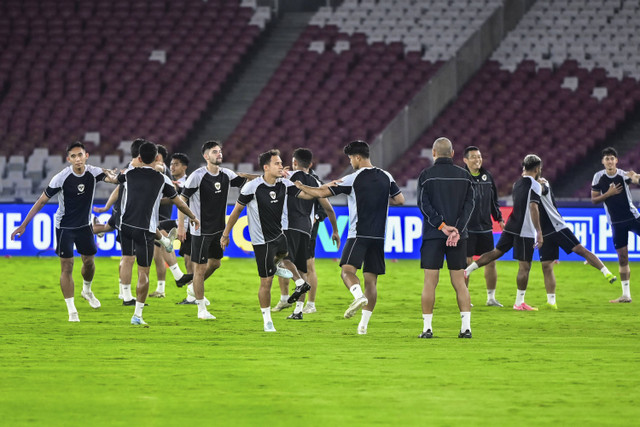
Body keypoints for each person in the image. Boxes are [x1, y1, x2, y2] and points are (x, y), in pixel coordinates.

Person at [294, 140, 404, 335]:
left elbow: (320, 193)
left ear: (358, 157)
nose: (351, 162)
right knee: (371, 281)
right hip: (379, 237)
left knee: (347, 271)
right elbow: (399, 200)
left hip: (358, 234)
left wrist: (299, 185)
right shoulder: (386, 176)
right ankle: (363, 325)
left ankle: (357, 295)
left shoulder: (353, 179)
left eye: (351, 158)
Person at [11, 142, 117, 321]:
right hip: (64, 227)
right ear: (69, 159)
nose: (77, 159)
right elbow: (41, 201)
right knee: (67, 266)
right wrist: (23, 224)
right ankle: (72, 310)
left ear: (86, 156)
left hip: (84, 226)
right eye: (73, 156)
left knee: (89, 263)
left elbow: (111, 178)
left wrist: (115, 176)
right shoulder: (60, 178)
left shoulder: (93, 172)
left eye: (80, 155)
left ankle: (87, 290)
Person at [220, 149, 314, 332]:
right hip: (262, 242)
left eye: (281, 163)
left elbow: (307, 194)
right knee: (267, 282)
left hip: (279, 235)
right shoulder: (252, 187)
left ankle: (299, 282)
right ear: (266, 167)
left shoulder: (284, 183)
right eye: (277, 163)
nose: (281, 166)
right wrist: (225, 234)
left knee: (287, 259)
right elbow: (236, 212)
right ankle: (267, 320)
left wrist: (326, 190)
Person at [117, 141, 199, 326]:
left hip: (126, 227)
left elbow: (114, 179)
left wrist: (108, 174)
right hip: (145, 230)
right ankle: (137, 315)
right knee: (143, 272)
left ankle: (125, 293)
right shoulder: (162, 179)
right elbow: (178, 202)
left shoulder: (129, 173)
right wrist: (192, 217)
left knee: (126, 259)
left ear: (138, 158)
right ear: (156, 158)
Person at [92, 139, 177, 304]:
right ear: (141, 156)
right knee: (129, 258)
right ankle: (125, 294)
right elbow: (118, 188)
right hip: (128, 214)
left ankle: (124, 293)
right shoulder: (136, 170)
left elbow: (117, 186)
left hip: (125, 213)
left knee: (126, 254)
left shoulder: (128, 171)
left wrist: (105, 207)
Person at [177, 140, 254, 319]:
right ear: (206, 157)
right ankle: (201, 309)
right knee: (200, 269)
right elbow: (182, 200)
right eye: (214, 152)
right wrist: (182, 225)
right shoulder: (197, 176)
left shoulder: (226, 174)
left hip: (219, 229)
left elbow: (243, 178)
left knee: (216, 264)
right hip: (200, 230)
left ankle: (192, 288)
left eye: (219, 151)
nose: (218, 154)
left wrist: (266, 176)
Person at [465, 154, 544, 311]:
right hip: (524, 229)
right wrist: (539, 231)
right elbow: (533, 207)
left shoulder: (517, 184)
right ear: (537, 169)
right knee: (525, 266)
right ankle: (519, 302)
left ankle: (467, 271)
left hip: (511, 225)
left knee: (496, 252)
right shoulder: (535, 185)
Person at [417, 137, 475, 338]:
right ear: (452, 154)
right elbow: (469, 207)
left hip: (434, 235)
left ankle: (427, 329)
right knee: (459, 281)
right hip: (459, 237)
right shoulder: (465, 176)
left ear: (434, 153)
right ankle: (466, 328)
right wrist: (457, 229)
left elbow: (424, 206)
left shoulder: (426, 176)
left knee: (430, 282)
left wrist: (442, 226)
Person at [272, 148, 340, 319]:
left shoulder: (288, 178)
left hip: (289, 226)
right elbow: (329, 209)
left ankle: (299, 285)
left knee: (280, 259)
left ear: (294, 162)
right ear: (310, 164)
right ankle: (298, 311)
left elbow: (262, 182)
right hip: (306, 230)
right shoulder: (316, 183)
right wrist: (335, 231)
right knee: (303, 268)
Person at [537, 176, 617, 309]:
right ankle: (551, 302)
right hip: (544, 232)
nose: (523, 173)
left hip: (557, 226)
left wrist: (533, 185)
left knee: (580, 250)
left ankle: (606, 272)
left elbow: (543, 189)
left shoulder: (542, 182)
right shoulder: (528, 186)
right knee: (546, 266)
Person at [591, 146, 639, 303]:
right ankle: (626, 295)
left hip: (633, 217)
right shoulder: (598, 177)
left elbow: (634, 179)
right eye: (607, 159)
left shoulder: (623, 175)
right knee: (623, 258)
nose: (610, 161)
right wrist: (608, 194)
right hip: (616, 222)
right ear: (603, 161)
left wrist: (636, 178)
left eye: (612, 158)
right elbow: (594, 200)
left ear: (616, 161)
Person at [462, 146, 505, 307]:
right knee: (466, 262)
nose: (477, 159)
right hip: (467, 227)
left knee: (491, 261)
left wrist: (499, 218)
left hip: (485, 227)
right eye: (473, 157)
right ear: (465, 160)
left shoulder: (488, 176)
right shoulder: (461, 177)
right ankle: (465, 298)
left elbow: (494, 200)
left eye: (479, 156)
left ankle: (491, 298)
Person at [149, 149, 193, 298]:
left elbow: (177, 196)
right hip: (184, 222)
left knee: (190, 261)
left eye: (176, 164)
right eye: (172, 164)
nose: (172, 167)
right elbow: (174, 196)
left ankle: (192, 293)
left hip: (190, 224)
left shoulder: (187, 182)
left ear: (184, 167)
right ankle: (179, 280)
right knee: (160, 234)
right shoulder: (177, 182)